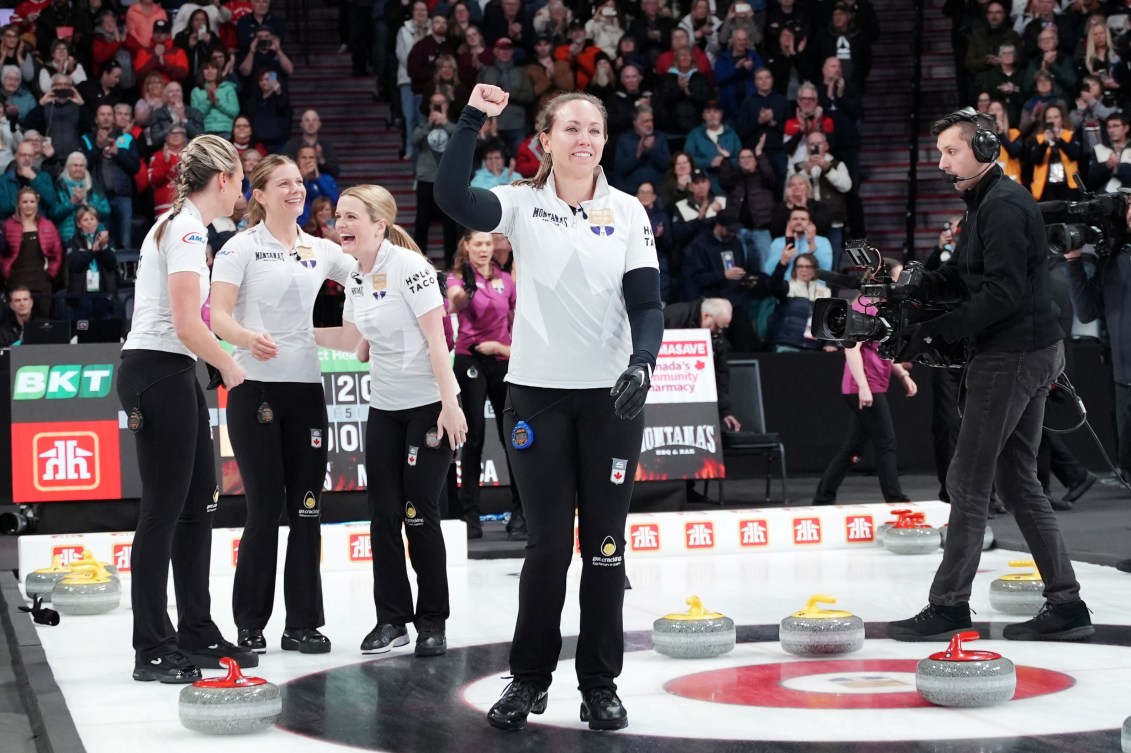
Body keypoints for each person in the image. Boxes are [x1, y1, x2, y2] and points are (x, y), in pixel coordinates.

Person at [435, 84, 663, 732]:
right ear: (544, 140)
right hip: (535, 396)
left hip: (610, 401)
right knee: (545, 546)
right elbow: (452, 198)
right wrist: (473, 118)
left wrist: (640, 365)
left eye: (593, 127)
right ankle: (529, 679)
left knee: (605, 547)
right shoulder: (519, 204)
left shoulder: (625, 212)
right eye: (570, 127)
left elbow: (646, 305)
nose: (584, 137)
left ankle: (599, 684)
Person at [886, 107, 1093, 643]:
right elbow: (968, 274)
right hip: (1026, 351)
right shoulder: (986, 205)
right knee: (1018, 479)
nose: (941, 162)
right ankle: (1067, 604)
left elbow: (1000, 296)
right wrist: (923, 285)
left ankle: (950, 605)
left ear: (982, 149)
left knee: (968, 481)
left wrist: (935, 333)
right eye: (940, 153)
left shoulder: (1001, 207)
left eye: (950, 151)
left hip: (1013, 355)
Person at [115, 134, 253, 683]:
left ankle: (195, 629)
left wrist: (219, 354)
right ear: (222, 180)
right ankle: (151, 646)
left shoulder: (182, 224)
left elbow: (192, 321)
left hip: (172, 369)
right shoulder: (188, 228)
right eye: (241, 178)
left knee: (199, 502)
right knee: (164, 511)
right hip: (158, 369)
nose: (242, 188)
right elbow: (186, 322)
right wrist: (232, 364)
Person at [209, 154, 358, 656]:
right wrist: (248, 339)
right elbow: (218, 318)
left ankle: (303, 624)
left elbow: (370, 266)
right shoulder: (240, 248)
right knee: (265, 508)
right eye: (286, 183)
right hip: (255, 389)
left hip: (306, 390)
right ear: (260, 194)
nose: (297, 190)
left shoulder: (321, 248)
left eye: (299, 182)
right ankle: (250, 624)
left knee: (308, 508)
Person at [314, 184, 466, 657]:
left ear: (379, 225)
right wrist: (290, 334)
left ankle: (433, 621)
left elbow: (437, 339)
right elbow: (357, 344)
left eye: (352, 217)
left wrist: (450, 403)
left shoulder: (410, 268)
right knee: (382, 516)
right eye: (339, 216)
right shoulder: (357, 278)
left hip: (428, 404)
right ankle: (391, 620)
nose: (341, 224)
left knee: (418, 511)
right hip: (384, 407)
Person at [813, 259, 916, 505]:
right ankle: (895, 498)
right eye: (897, 277)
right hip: (862, 386)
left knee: (854, 447)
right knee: (886, 442)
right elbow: (851, 350)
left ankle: (824, 497)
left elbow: (883, 350)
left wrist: (903, 375)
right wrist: (863, 387)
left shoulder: (882, 310)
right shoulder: (862, 309)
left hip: (872, 385)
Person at [446, 229, 525, 540]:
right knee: (474, 437)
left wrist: (503, 349)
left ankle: (521, 512)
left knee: (513, 438)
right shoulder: (457, 278)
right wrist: (467, 286)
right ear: (466, 246)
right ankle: (470, 516)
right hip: (471, 361)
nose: (483, 248)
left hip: (502, 359)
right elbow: (456, 303)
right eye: (477, 243)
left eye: (488, 243)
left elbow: (517, 318)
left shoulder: (506, 280)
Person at [1, 187, 62, 318]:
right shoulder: (7, 226)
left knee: (42, 325)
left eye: (32, 201)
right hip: (16, 282)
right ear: (18, 203)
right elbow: (3, 253)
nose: (29, 205)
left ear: (37, 203)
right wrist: (7, 273)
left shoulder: (48, 225)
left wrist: (50, 274)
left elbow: (57, 253)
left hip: (41, 284)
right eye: (25, 202)